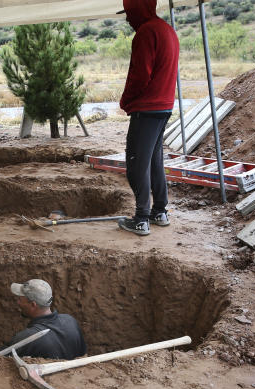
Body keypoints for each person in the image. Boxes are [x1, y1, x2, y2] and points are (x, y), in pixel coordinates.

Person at [116, 0, 180, 237]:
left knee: (136, 163)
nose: (127, 19)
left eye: (129, 13)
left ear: (138, 9)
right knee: (154, 160)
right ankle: (160, 211)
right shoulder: (166, 30)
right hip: (164, 105)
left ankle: (141, 219)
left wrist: (126, 100)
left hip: (148, 107)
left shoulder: (145, 32)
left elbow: (140, 74)